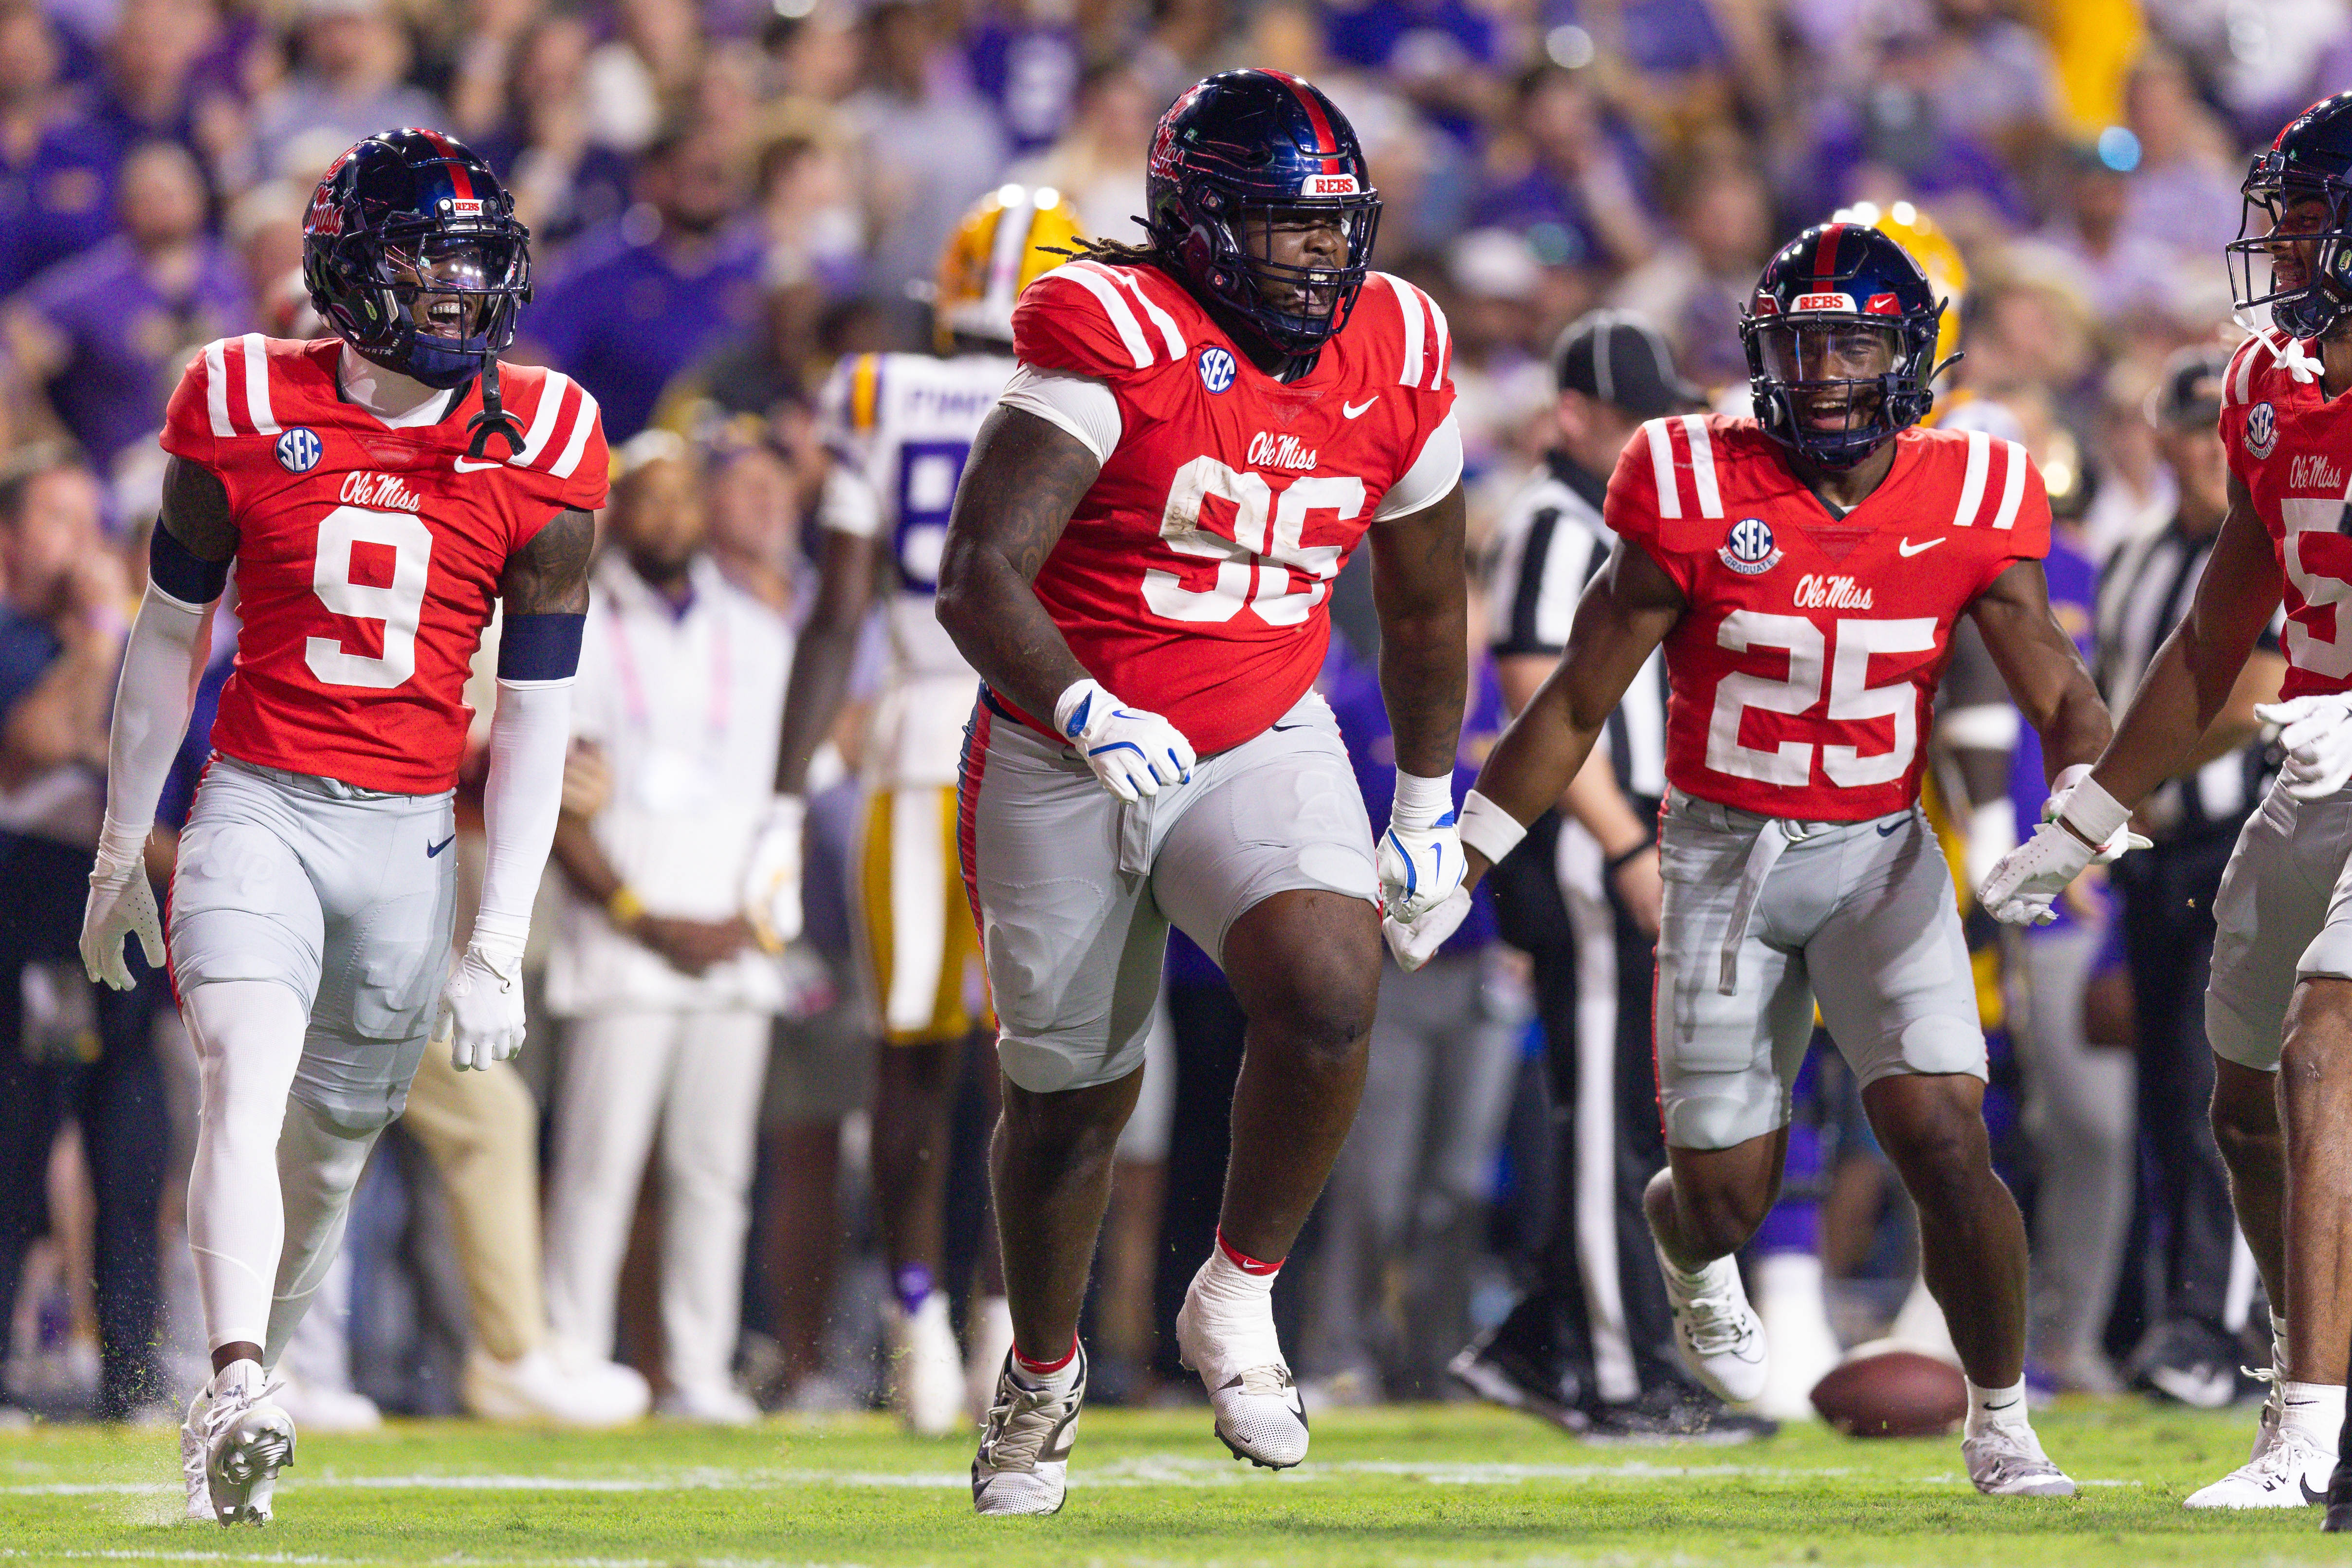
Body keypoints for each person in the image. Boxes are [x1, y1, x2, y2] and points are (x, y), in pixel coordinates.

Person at [1392, 221, 2115, 1497]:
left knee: (1947, 1135)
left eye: (1853, 343)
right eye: (1803, 343)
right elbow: (1569, 702)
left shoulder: (1975, 487)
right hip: (1722, 853)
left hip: (1884, 854)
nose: (1826, 371)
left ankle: (2002, 1420)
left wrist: (2080, 814)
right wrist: (1467, 853)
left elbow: (2057, 685)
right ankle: (1691, 1259)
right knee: (1720, 1195)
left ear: (1910, 359)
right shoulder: (1687, 475)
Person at [932, 70, 1468, 1514]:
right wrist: (1086, 704)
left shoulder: (1398, 341)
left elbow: (1423, 608)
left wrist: (1426, 804)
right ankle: (1041, 1375)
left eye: (1334, 226)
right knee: (1067, 1104)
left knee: (1330, 979)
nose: (1320, 256)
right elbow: (978, 570)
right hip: (1060, 744)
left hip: (1255, 725)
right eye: (1285, 227)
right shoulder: (1113, 326)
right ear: (1199, 220)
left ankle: (1236, 1293)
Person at [77, 129, 603, 1523]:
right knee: (244, 1083)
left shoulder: (548, 434)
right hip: (260, 799)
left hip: (415, 839)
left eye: (476, 264)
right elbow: (166, 635)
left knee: (325, 1154)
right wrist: (126, 838)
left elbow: (542, 710)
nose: (455, 290)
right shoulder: (240, 394)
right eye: (429, 260)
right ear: (352, 269)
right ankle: (240, 1376)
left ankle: (247, 1383)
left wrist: (499, 937)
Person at [1982, 90, 2352, 1517]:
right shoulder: (2272, 382)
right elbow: (2216, 635)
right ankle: (2310, 1365)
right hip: (2314, 757)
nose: (2293, 250)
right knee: (2246, 1096)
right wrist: (2092, 811)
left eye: (2317, 223)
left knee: (2330, 1052)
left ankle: (2312, 1431)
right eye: (2292, 223)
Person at [750, 184, 1082, 1433]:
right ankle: (1006, 1325)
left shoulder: (875, 394)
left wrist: (783, 800)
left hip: (906, 748)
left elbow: (838, 609)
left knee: (911, 1057)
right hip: (1046, 739)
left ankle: (915, 1322)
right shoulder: (1091, 393)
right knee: (1039, 1058)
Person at [1452, 309, 1769, 1439]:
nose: (1649, 439)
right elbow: (1540, 694)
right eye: (1629, 420)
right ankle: (1616, 1374)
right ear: (1571, 418)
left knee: (1640, 1109)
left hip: (1640, 832)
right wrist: (1627, 843)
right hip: (1595, 841)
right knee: (1610, 1123)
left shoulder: (1617, 512)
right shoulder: (1551, 520)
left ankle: (1541, 1344)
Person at [540, 432, 793, 1426]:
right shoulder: (581, 628)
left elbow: (789, 797)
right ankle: (568, 1358)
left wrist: (756, 916)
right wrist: (640, 915)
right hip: (626, 940)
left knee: (715, 1171)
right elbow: (558, 800)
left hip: (735, 943)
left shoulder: (764, 635)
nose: (669, 518)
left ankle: (697, 1371)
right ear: (615, 513)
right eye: (648, 501)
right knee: (597, 1166)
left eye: (686, 500)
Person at [2092, 345, 2283, 1408]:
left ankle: (2220, 1329)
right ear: (2160, 439)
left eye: (2233, 424)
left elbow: (2256, 689)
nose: (2220, 446)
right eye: (2199, 424)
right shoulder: (2128, 559)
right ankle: (2180, 1314)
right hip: (2154, 855)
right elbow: (2123, 691)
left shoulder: (2278, 545)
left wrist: (2125, 790)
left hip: (2250, 843)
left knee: (2226, 1087)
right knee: (2165, 1093)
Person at [0, 453, 166, 1425]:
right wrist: (104, 632)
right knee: (18, 1145)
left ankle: (133, 1378)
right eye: (57, 517)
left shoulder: (141, 639)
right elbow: (37, 742)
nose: (84, 540)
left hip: (117, 911)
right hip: (28, 908)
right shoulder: (25, 637)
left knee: (133, 1149)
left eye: (90, 516)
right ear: (13, 536)